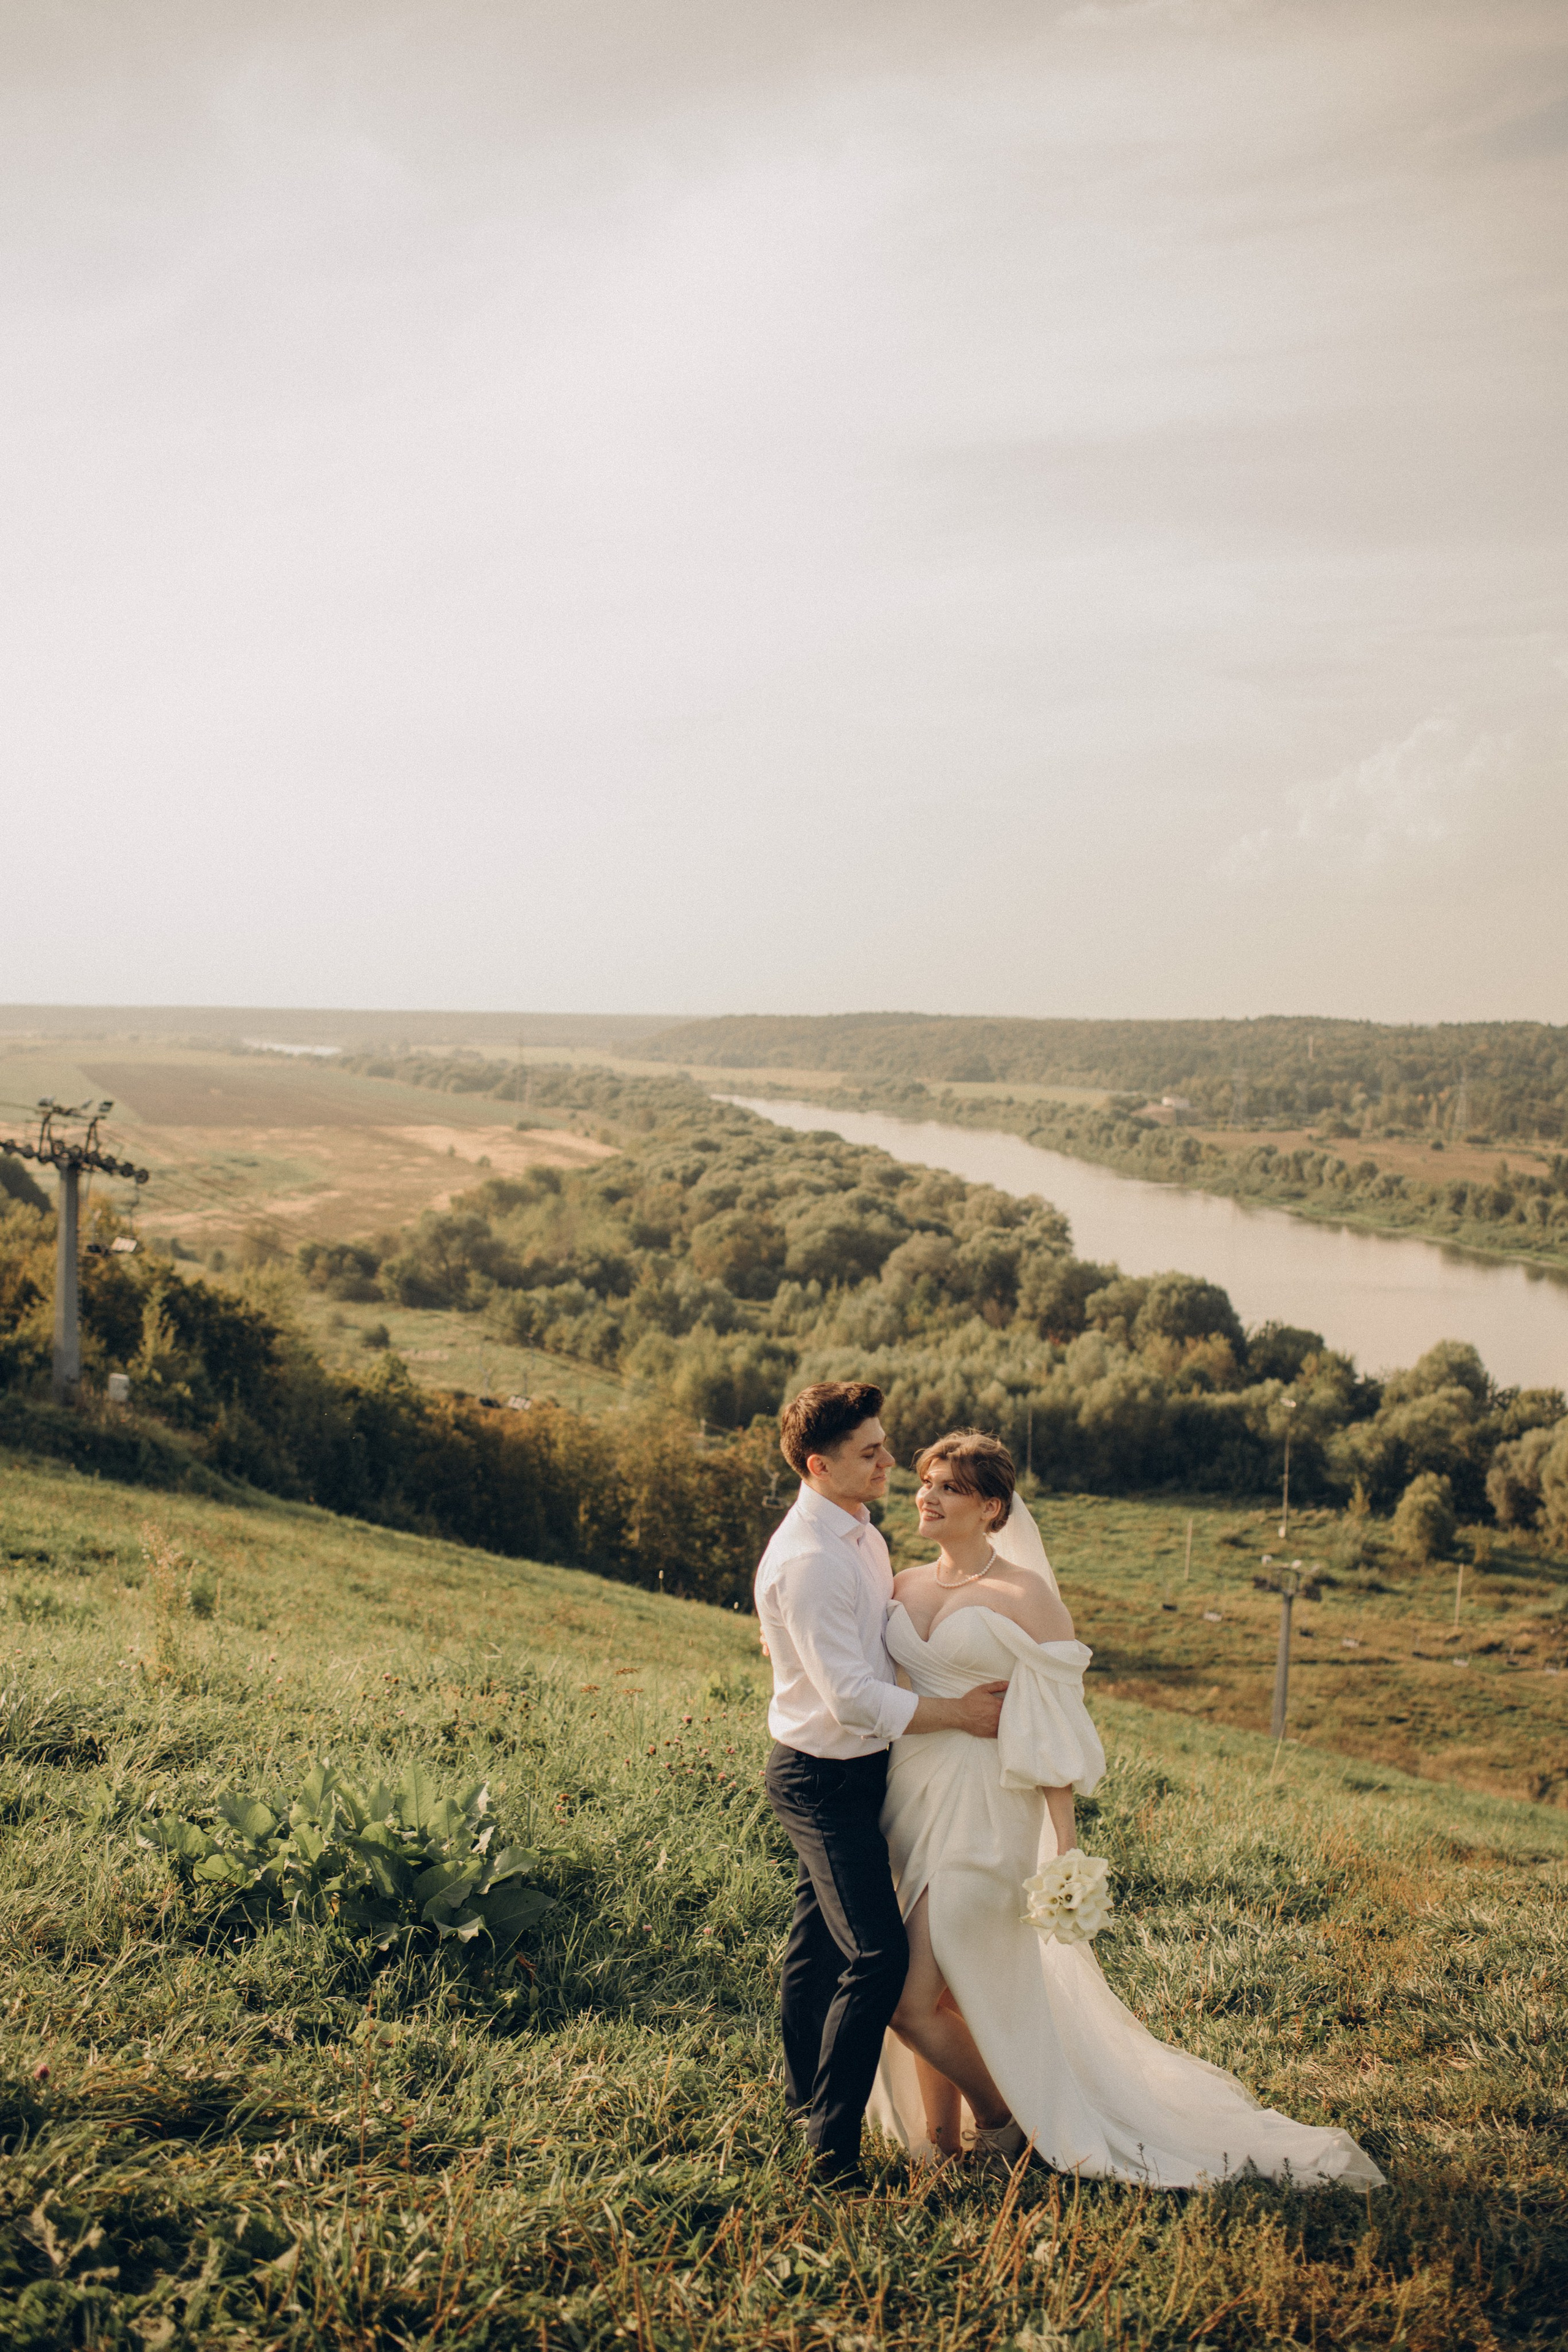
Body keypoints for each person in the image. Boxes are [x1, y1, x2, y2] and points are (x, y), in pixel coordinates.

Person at [867, 1427, 1385, 2190]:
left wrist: (1064, 1848)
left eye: (948, 1487)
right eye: (925, 1482)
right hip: (906, 1797)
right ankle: (940, 2143)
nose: (927, 1497)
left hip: (987, 1807)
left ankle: (1004, 2120)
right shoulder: (901, 1584)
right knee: (943, 1987)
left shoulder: (1027, 1597)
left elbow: (1054, 1730)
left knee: (908, 2000)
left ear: (991, 1508)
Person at [754, 1382, 1013, 2191]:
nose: (890, 1462)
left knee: (816, 1946)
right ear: (819, 1466)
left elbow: (856, 1641)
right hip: (821, 1777)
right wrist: (961, 1714)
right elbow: (852, 1700)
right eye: (870, 1453)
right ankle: (830, 2157)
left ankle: (804, 2103)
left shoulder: (859, 1529)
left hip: (867, 1771)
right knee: (875, 1955)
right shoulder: (809, 1560)